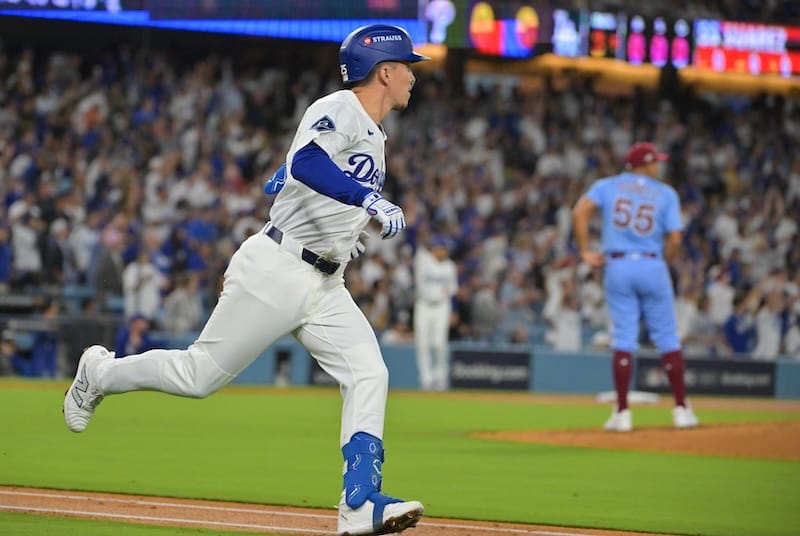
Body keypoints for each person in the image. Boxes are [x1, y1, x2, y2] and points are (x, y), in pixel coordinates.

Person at [64, 24, 428, 536]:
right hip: (278, 269)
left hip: (325, 283)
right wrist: (365, 200)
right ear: (384, 71)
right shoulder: (342, 107)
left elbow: (294, 171)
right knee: (198, 376)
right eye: (408, 66)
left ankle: (359, 503)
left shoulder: (372, 131)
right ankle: (99, 374)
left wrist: (341, 231)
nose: (413, 76)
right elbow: (306, 161)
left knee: (369, 373)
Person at [572, 141, 699, 432]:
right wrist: (663, 262)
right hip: (651, 263)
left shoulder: (607, 185)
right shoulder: (666, 193)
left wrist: (584, 250)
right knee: (667, 338)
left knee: (623, 339)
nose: (659, 166)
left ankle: (622, 413)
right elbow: (675, 239)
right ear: (646, 164)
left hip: (618, 265)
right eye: (656, 162)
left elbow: (580, 211)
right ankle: (681, 410)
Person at [413, 235, 457, 390]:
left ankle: (441, 377)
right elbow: (416, 241)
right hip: (423, 305)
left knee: (439, 342)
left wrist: (454, 310)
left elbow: (453, 290)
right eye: (440, 248)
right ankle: (426, 379)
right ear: (433, 248)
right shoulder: (423, 261)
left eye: (444, 249)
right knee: (422, 343)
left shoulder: (450, 266)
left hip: (441, 306)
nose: (442, 251)